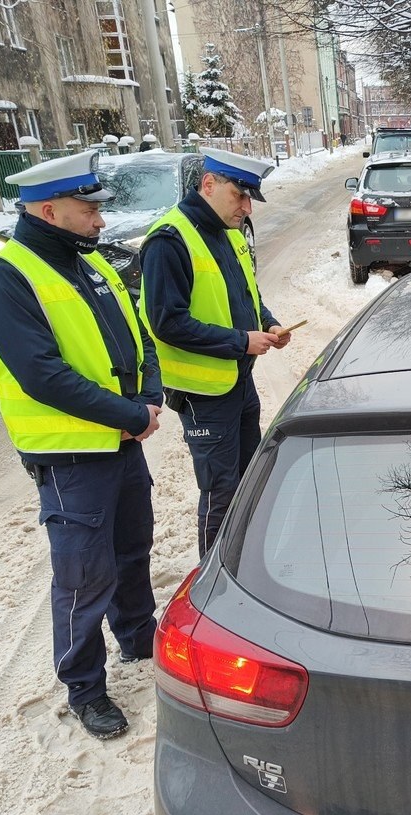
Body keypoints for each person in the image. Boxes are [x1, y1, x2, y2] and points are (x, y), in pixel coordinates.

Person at [0, 152, 162, 741]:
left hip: (121, 440)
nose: (101, 221)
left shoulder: (92, 263)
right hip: (70, 456)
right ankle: (85, 688)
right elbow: (42, 374)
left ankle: (138, 639)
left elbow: (138, 336)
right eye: (89, 211)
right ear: (48, 210)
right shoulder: (8, 277)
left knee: (132, 549)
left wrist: (149, 397)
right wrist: (130, 414)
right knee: (84, 575)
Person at [139, 148, 290, 558]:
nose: (246, 208)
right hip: (204, 396)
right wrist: (241, 341)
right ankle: (215, 584)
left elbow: (247, 295)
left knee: (247, 483)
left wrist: (269, 322)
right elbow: (166, 323)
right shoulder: (170, 240)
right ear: (208, 185)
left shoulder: (227, 232)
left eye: (249, 199)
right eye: (239, 196)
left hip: (238, 384)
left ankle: (246, 565)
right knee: (221, 494)